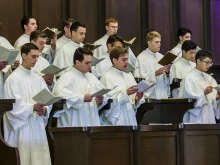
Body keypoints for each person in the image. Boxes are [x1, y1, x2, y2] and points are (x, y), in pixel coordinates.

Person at [3, 43, 52, 165]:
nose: (36, 60)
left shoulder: (39, 79)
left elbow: (48, 100)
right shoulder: (13, 79)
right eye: (33, 56)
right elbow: (11, 107)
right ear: (23, 55)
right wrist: (32, 107)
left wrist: (45, 109)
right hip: (22, 128)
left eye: (37, 57)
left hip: (37, 126)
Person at [52, 47, 108, 127]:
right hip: (74, 121)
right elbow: (59, 97)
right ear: (77, 62)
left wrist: (101, 99)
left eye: (91, 62)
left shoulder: (92, 77)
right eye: (87, 63)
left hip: (91, 118)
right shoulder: (66, 77)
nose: (90, 66)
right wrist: (81, 98)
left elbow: (104, 93)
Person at [100, 46, 144, 125]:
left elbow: (132, 99)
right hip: (117, 120)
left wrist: (136, 98)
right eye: (123, 60)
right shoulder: (107, 77)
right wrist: (125, 93)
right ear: (114, 60)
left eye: (127, 59)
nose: (127, 62)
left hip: (130, 117)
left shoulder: (128, 74)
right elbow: (107, 103)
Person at [179, 50, 220, 123]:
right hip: (196, 117)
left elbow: (214, 99)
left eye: (210, 63)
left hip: (209, 114)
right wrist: (203, 93)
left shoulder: (209, 78)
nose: (208, 65)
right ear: (198, 61)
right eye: (207, 62)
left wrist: (216, 97)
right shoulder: (189, 78)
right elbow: (188, 102)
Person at [134, 31, 170, 99]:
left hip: (162, 93)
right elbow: (139, 79)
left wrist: (167, 72)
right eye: (156, 42)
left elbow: (166, 80)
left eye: (160, 42)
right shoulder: (141, 58)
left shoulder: (161, 57)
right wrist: (155, 74)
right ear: (149, 43)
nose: (159, 44)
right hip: (150, 96)